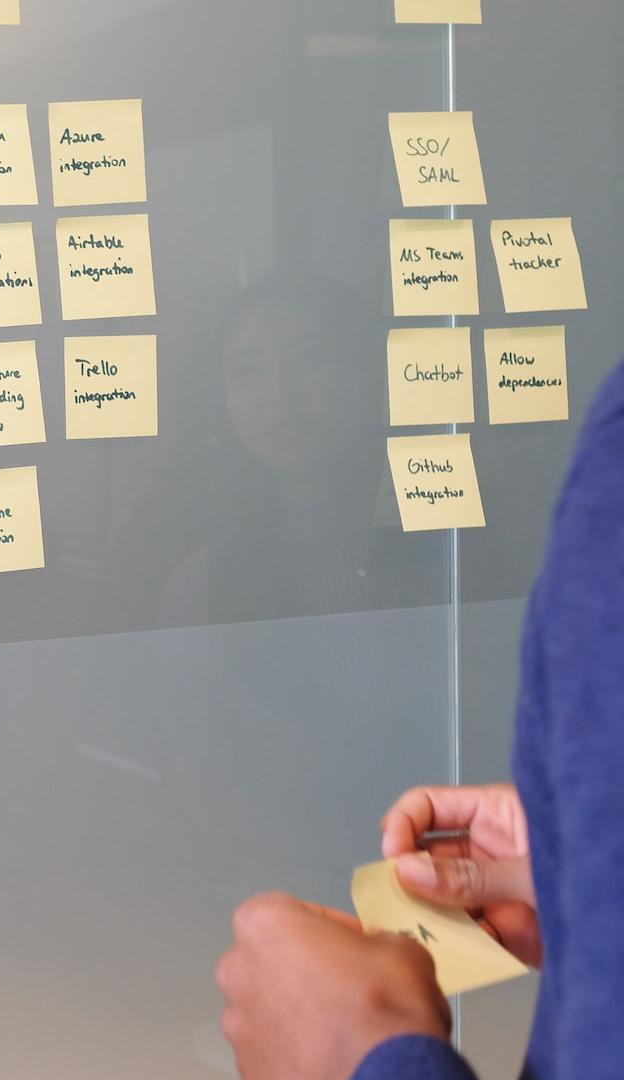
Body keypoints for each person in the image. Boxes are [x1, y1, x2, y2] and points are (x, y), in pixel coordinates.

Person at [216, 356, 624, 1078]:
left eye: (305, 360)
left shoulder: (476, 544)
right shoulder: (213, 572)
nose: (280, 389)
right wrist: (577, 864)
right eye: (247, 368)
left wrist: (368, 1052)